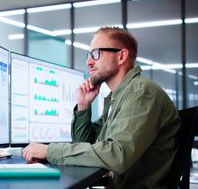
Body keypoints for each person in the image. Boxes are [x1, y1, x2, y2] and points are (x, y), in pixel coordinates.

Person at [22, 27, 181, 188]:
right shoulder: (118, 98)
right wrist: (84, 106)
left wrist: (49, 152)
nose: (89, 61)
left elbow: (117, 155)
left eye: (96, 53)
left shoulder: (141, 92)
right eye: (89, 55)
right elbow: (86, 146)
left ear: (121, 56)